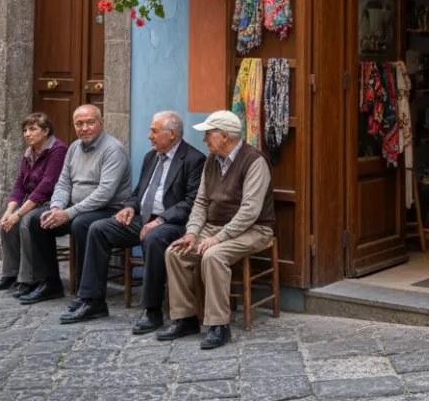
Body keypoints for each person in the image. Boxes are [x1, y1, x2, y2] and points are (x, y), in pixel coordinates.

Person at [59, 110, 205, 331]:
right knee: (98, 228)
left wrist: (161, 219)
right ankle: (93, 300)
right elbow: (138, 192)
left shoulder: (194, 159)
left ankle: (152, 310)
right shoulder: (151, 157)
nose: (149, 136)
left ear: (172, 134)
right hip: (142, 218)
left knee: (154, 238)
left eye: (154, 131)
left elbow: (190, 202)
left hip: (173, 224)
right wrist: (129, 207)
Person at [157, 110, 275, 350]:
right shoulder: (212, 160)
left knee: (213, 255)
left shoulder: (254, 161)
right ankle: (186, 318)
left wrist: (219, 238)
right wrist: (191, 233)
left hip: (254, 228)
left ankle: (219, 326)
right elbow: (201, 202)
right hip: (216, 226)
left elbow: (250, 211)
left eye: (208, 134)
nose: (204, 140)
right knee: (175, 252)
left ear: (225, 136)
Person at [18, 104, 132, 305]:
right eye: (79, 124)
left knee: (82, 224)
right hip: (74, 208)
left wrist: (68, 213)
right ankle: (49, 283)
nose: (84, 128)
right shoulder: (73, 148)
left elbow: (104, 194)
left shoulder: (113, 150)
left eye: (90, 122)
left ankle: (84, 290)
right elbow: (63, 183)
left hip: (108, 210)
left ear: (102, 123)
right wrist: (56, 208)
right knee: (36, 219)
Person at [0, 113, 67, 297]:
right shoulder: (29, 153)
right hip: (34, 203)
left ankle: (29, 279)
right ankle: (11, 274)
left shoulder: (58, 150)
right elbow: (19, 185)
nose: (27, 134)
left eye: (32, 129)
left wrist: (18, 214)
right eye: (25, 130)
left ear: (46, 131)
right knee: (7, 224)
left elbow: (46, 186)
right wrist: (9, 212)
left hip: (54, 203)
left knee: (26, 222)